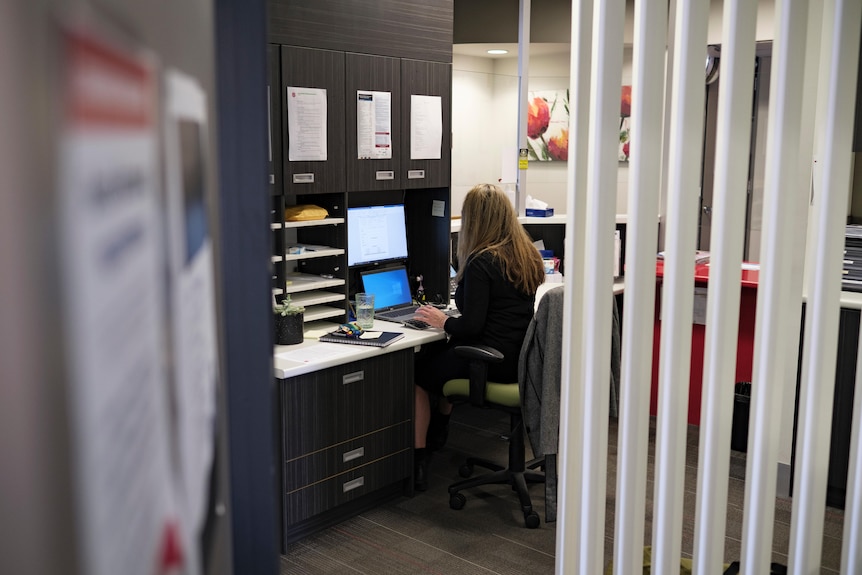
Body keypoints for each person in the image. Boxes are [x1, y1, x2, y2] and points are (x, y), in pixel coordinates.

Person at [411, 183, 545, 491]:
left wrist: (442, 320)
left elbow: (470, 327)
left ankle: (419, 459)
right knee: (438, 357)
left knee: (419, 374)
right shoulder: (526, 255)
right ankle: (441, 428)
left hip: (490, 360)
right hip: (520, 358)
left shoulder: (482, 261)